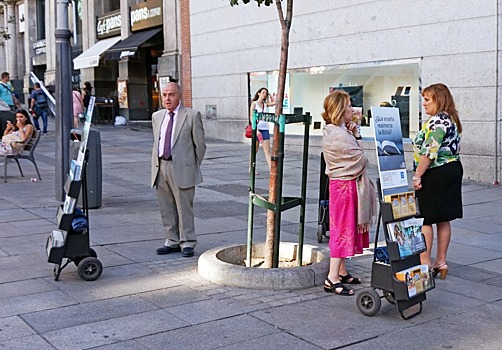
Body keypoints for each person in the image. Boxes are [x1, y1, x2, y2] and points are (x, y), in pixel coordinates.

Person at [321, 90, 376, 296]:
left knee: (345, 228)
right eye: (349, 105)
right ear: (340, 109)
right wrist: (356, 135)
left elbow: (358, 155)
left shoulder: (337, 130)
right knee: (341, 231)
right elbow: (361, 159)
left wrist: (354, 132)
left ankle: (341, 272)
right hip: (344, 187)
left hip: (344, 186)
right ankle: (332, 278)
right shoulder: (338, 135)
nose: (352, 109)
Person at [412, 83, 463, 280]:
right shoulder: (450, 118)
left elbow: (429, 152)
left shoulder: (438, 121)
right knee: (443, 218)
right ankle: (440, 261)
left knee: (425, 218)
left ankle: (424, 263)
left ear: (438, 100)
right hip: (451, 169)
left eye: (427, 100)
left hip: (436, 172)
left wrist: (417, 176)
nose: (423, 104)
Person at [151, 82, 206, 257]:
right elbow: (157, 141)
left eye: (171, 95)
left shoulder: (191, 115)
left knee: (184, 207)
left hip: (182, 168)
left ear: (179, 96)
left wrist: (191, 165)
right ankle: (172, 240)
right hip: (161, 167)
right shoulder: (157, 116)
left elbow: (200, 145)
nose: (167, 98)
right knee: (166, 207)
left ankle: (188, 241)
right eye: (164, 94)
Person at [249, 87, 275, 174]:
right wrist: (256, 130)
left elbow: (275, 102)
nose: (264, 94)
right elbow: (251, 118)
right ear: (258, 93)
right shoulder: (254, 104)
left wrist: (270, 95)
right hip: (257, 129)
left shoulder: (265, 104)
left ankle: (271, 169)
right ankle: (251, 168)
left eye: (266, 93)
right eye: (263, 92)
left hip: (265, 129)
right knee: (255, 150)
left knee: (267, 150)